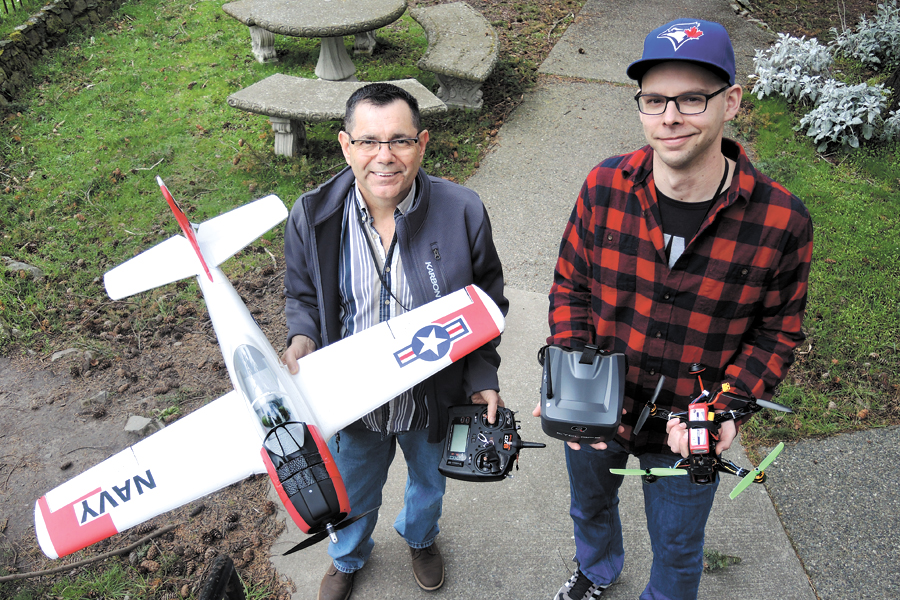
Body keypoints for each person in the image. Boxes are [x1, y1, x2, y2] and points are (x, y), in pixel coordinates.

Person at [536, 19, 814, 600]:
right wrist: (570, 376)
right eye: (655, 99)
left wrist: (727, 405)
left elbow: (777, 332)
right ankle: (597, 570)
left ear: (730, 101)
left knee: (680, 547)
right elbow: (570, 287)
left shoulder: (782, 221)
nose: (670, 117)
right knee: (588, 508)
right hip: (598, 406)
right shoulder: (604, 185)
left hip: (690, 429)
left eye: (692, 98)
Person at [281, 82, 507, 600]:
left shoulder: (462, 210)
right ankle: (348, 554)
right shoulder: (313, 215)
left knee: (429, 483)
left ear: (422, 143)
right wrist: (302, 337)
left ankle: (420, 537)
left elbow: (487, 304)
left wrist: (481, 378)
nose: (384, 157)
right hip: (353, 398)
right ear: (345, 145)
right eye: (368, 142)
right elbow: (302, 296)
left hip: (435, 393)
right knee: (353, 488)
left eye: (400, 141)